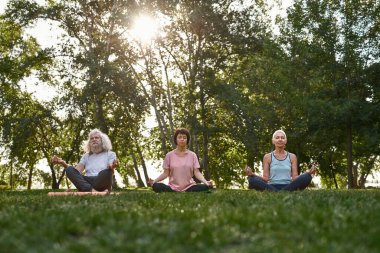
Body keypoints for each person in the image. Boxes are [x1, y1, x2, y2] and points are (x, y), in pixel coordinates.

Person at [246, 129, 317, 191]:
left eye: (282, 138)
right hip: (271, 186)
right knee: (252, 179)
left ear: (285, 141)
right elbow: (265, 178)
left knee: (307, 177)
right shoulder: (267, 157)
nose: (280, 139)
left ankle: (277, 192)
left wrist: (308, 172)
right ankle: (282, 192)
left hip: (289, 186)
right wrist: (252, 174)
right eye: (277, 138)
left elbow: (295, 177)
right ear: (273, 141)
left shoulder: (292, 156)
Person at [52, 129, 118, 193]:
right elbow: (76, 171)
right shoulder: (86, 156)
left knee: (107, 172)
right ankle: (92, 191)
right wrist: (63, 163)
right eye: (92, 138)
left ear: (102, 140)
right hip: (88, 182)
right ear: (89, 142)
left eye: (97, 138)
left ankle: (88, 190)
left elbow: (110, 168)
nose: (94, 139)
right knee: (69, 169)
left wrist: (112, 166)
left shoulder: (110, 154)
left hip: (101, 181)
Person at [148, 128, 213, 192]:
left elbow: (197, 172)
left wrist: (206, 182)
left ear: (187, 140)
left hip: (190, 187)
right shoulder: (169, 155)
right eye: (179, 137)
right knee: (156, 186)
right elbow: (165, 173)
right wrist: (154, 181)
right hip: (172, 188)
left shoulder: (193, 155)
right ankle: (174, 191)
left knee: (205, 187)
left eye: (184, 137)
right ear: (176, 140)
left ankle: (187, 190)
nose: (182, 139)